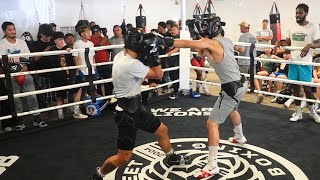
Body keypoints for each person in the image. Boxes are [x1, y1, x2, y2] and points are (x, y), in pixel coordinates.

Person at [90, 29, 189, 180]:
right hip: (127, 115)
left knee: (162, 130)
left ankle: (171, 158)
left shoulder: (120, 56)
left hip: (136, 108)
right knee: (123, 157)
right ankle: (98, 175)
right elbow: (159, 75)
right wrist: (153, 55)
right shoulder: (130, 64)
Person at [163, 16, 247, 178]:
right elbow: (201, 50)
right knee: (232, 110)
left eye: (201, 30)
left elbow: (192, 45)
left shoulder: (212, 43)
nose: (199, 33)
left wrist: (165, 42)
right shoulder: (226, 40)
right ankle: (239, 137)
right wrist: (198, 40)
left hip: (231, 89)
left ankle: (212, 165)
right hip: (240, 85)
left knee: (212, 123)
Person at [274, 3, 320, 123]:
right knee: (295, 88)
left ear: (306, 13)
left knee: (307, 89)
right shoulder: (291, 26)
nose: (298, 15)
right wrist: (278, 43)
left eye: (300, 13)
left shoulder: (313, 27)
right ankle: (298, 112)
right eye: (296, 13)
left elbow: (319, 42)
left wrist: (309, 45)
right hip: (293, 61)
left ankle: (312, 111)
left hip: (305, 63)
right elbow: (288, 42)